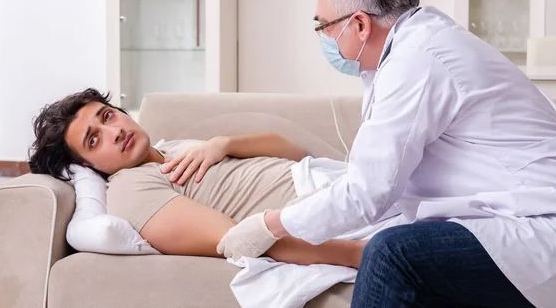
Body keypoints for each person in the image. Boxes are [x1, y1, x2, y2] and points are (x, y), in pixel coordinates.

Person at [214, 0, 556, 308]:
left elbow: (367, 192)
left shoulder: (417, 60)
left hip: (549, 226)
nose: (324, 37)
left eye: (323, 26)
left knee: (392, 254)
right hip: (521, 212)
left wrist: (270, 225)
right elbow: (381, 181)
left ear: (359, 24)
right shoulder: (412, 50)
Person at [28, 88, 366, 268]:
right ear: (88, 165)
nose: (114, 132)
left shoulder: (170, 148)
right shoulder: (131, 189)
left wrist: (224, 144)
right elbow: (238, 240)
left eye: (108, 116)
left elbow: (292, 152)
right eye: (94, 139)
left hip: (339, 181)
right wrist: (355, 255)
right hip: (328, 214)